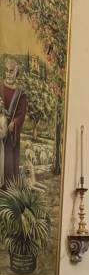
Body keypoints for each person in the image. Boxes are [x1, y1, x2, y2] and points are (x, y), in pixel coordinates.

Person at [2, 58, 27, 186]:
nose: (8, 73)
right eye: (6, 71)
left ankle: (9, 188)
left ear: (16, 72)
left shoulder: (20, 92)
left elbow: (22, 114)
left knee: (10, 161)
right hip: (0, 129)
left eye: (11, 71)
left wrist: (15, 123)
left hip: (12, 133)